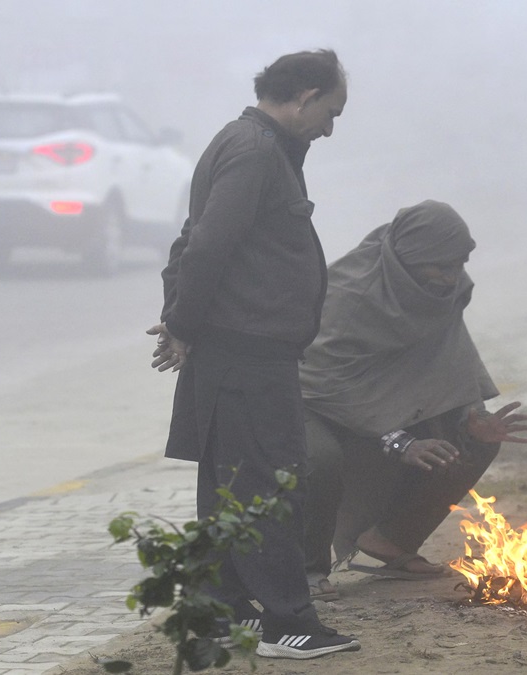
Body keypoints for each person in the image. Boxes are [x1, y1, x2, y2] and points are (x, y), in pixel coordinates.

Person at [147, 49, 360, 659]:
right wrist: (183, 323)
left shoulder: (248, 144)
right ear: (304, 96)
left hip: (234, 353)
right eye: (329, 111)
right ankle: (289, 623)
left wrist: (180, 319)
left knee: (230, 490)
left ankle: (222, 614)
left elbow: (193, 240)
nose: (328, 127)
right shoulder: (256, 150)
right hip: (246, 358)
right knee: (270, 488)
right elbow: (207, 243)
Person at [297, 200, 527, 600]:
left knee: (473, 442)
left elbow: (449, 354)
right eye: (438, 267)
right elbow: (321, 379)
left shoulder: (443, 287)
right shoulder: (350, 296)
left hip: (380, 401)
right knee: (320, 459)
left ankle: (389, 542)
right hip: (308, 400)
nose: (449, 277)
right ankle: (304, 569)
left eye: (457, 265)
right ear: (405, 259)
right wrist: (399, 440)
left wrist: (471, 413)